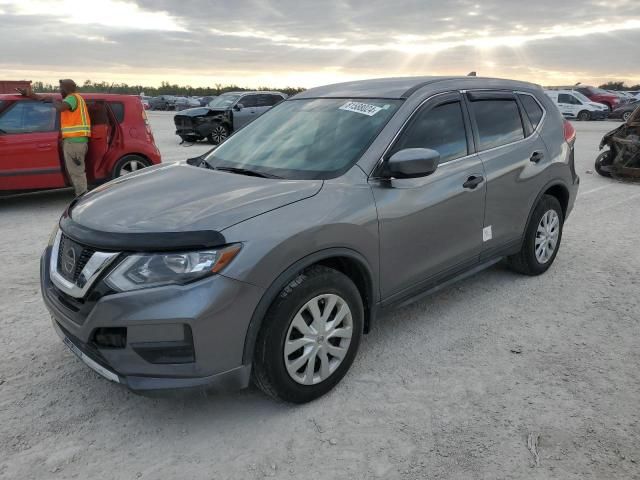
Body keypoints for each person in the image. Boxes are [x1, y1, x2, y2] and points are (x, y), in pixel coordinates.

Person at [18, 80, 91, 196]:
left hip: (74, 142)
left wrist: (52, 100)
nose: (59, 90)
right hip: (76, 142)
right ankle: (81, 196)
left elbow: (60, 107)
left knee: (77, 172)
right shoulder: (76, 98)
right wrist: (30, 94)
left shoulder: (72, 98)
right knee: (75, 171)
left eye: (61, 88)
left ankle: (82, 199)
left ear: (66, 89)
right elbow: (46, 100)